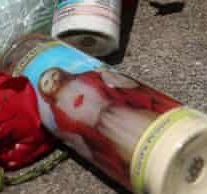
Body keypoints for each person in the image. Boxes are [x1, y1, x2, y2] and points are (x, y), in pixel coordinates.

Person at [37, 66, 180, 184]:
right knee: (127, 145)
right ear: (46, 93)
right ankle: (155, 168)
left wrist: (106, 75)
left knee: (143, 124)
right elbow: (74, 134)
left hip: (118, 111)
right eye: (47, 83)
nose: (53, 80)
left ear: (61, 72)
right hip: (104, 128)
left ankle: (170, 140)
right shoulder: (58, 110)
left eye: (53, 75)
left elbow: (112, 83)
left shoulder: (84, 78)